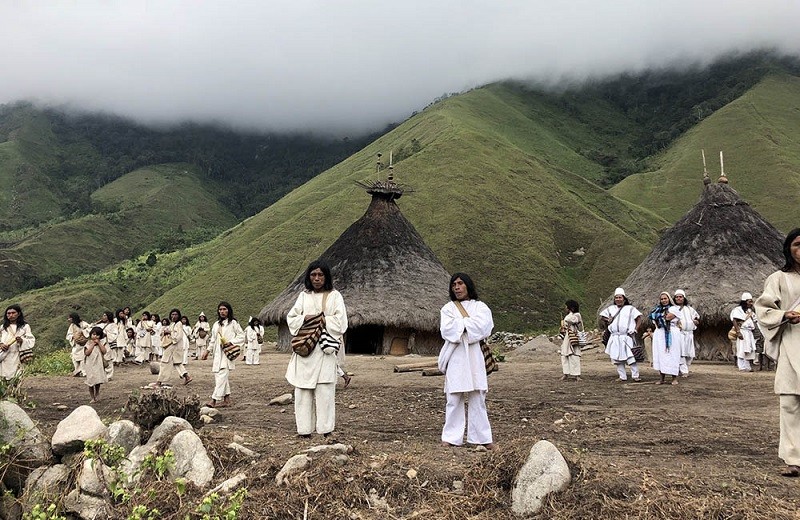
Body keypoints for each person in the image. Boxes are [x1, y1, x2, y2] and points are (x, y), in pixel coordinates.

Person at [755, 228, 800, 477]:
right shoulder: (778, 279)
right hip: (793, 343)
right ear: (788, 249)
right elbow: (764, 308)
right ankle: (794, 459)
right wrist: (785, 314)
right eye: (797, 244)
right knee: (790, 402)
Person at [286, 261, 348, 438]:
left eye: (321, 275)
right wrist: (307, 318)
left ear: (326, 276)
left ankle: (325, 430)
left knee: (325, 392)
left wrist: (321, 320)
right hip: (306, 351)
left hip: (324, 351)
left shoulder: (335, 296)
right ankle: (304, 430)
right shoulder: (303, 297)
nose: (317, 278)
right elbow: (292, 318)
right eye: (313, 275)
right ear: (309, 277)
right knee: (303, 392)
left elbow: (341, 322)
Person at [437, 273, 494, 449]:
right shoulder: (447, 308)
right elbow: (447, 330)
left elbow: (485, 327)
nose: (457, 287)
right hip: (456, 356)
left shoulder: (481, 307)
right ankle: (451, 437)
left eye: (461, 283)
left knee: (478, 397)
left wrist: (461, 325)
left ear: (468, 285)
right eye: (454, 284)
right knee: (454, 397)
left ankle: (482, 438)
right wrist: (468, 325)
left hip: (475, 356)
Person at [599, 288, 642, 382]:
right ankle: (622, 376)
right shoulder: (611, 309)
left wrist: (635, 329)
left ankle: (635, 375)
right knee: (617, 358)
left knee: (631, 357)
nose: (618, 299)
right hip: (615, 336)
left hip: (626, 336)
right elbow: (602, 316)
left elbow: (639, 318)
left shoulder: (630, 309)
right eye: (616, 298)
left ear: (624, 298)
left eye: (620, 297)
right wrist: (607, 320)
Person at [207, 302, 245, 408]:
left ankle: (214, 400)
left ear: (229, 310)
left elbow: (242, 336)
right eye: (220, 309)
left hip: (227, 353)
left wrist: (231, 342)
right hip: (217, 354)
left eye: (224, 309)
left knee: (222, 376)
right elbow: (213, 339)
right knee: (220, 376)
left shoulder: (233, 323)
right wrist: (207, 350)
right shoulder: (216, 325)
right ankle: (227, 399)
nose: (222, 311)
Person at [152, 309, 192, 388]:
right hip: (173, 345)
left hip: (174, 345)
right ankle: (187, 376)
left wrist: (170, 333)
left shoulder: (179, 324)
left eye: (176, 314)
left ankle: (159, 382)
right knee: (177, 362)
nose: (174, 316)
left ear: (179, 315)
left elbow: (179, 336)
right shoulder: (173, 324)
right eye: (172, 314)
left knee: (164, 362)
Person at [649, 292, 681, 385]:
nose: (663, 300)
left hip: (671, 332)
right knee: (660, 354)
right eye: (662, 299)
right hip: (660, 333)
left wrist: (660, 317)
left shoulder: (674, 309)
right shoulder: (657, 310)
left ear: (669, 299)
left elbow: (667, 317)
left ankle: (674, 378)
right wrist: (661, 317)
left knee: (673, 354)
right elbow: (653, 318)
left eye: (665, 298)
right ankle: (661, 378)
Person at [0, 305, 35, 380]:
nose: (11, 315)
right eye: (8, 313)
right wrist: (1, 344)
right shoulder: (3, 327)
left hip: (17, 355)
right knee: (4, 375)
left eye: (13, 313)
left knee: (17, 374)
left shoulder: (25, 327)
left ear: (18, 314)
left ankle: (15, 390)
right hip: (4, 355)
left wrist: (22, 341)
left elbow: (31, 339)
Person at [673, 290, 700, 377]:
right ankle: (684, 371)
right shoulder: (673, 309)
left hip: (689, 334)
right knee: (681, 353)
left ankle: (684, 369)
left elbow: (697, 317)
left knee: (689, 354)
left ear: (684, 298)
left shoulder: (689, 309)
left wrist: (696, 321)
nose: (678, 298)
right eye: (677, 297)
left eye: (680, 297)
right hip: (679, 334)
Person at [731, 292, 757, 372]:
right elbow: (734, 320)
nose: (751, 303)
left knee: (748, 349)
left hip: (749, 332)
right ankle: (741, 366)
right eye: (749, 301)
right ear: (744, 301)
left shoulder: (750, 311)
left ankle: (747, 366)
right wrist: (738, 332)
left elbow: (755, 320)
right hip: (742, 331)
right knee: (742, 349)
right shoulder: (737, 310)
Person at [559, 300, 583, 381]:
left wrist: (565, 320)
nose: (565, 308)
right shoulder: (569, 316)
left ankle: (577, 375)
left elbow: (572, 320)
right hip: (567, 337)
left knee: (574, 355)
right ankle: (565, 373)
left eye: (566, 306)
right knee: (564, 355)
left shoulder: (576, 315)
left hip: (574, 337)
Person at [83, 326, 108, 403]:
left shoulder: (102, 343)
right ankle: (92, 397)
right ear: (91, 335)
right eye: (94, 334)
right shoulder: (88, 343)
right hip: (90, 364)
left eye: (97, 335)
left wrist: (99, 343)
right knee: (90, 381)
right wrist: (92, 345)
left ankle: (97, 394)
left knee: (98, 380)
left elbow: (104, 351)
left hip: (98, 364)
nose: (95, 336)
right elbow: (87, 353)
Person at [95, 311, 117, 380]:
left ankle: (109, 375)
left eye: (105, 315)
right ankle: (102, 374)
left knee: (108, 359)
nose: (103, 317)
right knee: (100, 358)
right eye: (103, 315)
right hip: (100, 343)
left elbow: (115, 334)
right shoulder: (100, 325)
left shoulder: (113, 325)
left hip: (108, 343)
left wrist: (106, 334)